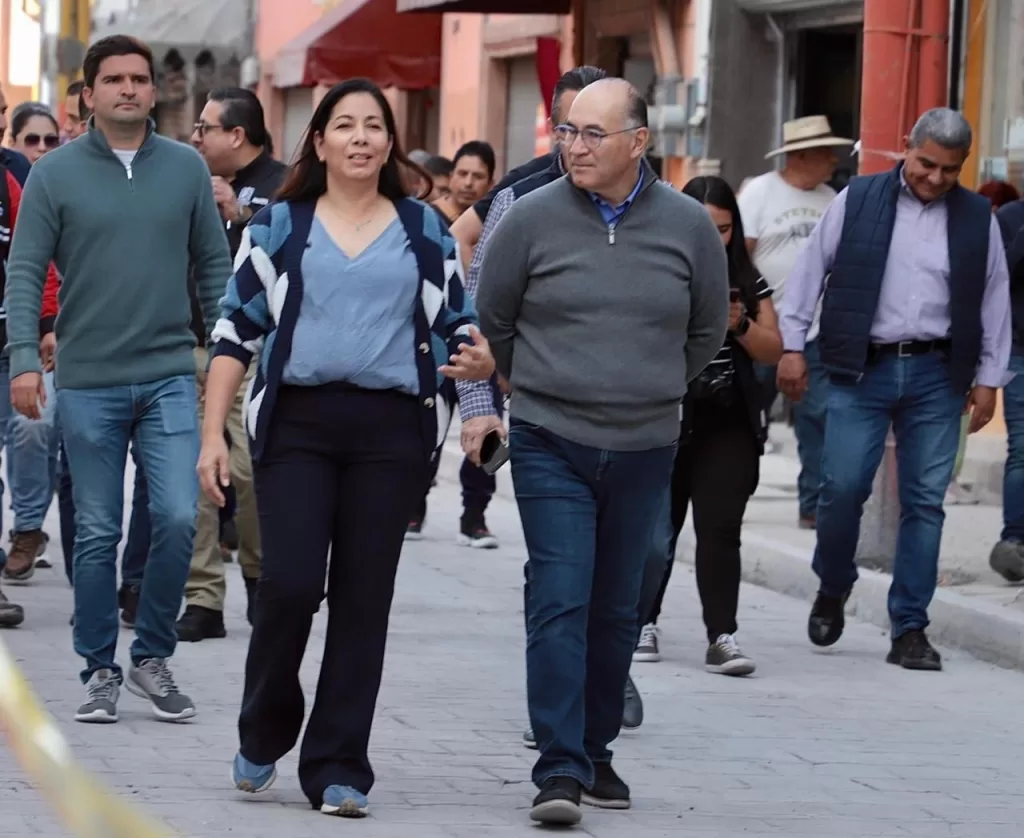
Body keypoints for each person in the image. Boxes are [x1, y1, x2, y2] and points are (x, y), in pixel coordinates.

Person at [201, 77, 500, 818]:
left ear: (390, 142)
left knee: (365, 600)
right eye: (345, 124)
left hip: (390, 431)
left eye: (374, 125)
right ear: (320, 140)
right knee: (290, 585)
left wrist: (479, 374)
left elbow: (456, 323)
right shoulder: (279, 225)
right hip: (297, 425)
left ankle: (338, 766)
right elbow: (235, 332)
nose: (360, 137)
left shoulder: (423, 229)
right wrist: (211, 436)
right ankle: (265, 728)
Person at [476, 78, 728, 825]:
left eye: (592, 134)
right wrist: (543, 384)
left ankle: (596, 748)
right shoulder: (529, 217)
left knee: (618, 605)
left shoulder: (688, 226)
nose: (574, 147)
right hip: (550, 438)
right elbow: (495, 317)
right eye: (567, 131)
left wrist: (649, 386)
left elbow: (706, 331)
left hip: (646, 444)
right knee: (560, 595)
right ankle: (559, 767)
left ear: (638, 142)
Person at [5, 35, 232, 722]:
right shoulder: (54, 174)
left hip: (169, 373)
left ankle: (151, 656)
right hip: (88, 378)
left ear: (154, 91)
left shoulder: (186, 169)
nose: (128, 89)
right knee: (98, 531)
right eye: (113, 79)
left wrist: (229, 353)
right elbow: (25, 269)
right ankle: (99, 668)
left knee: (178, 516)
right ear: (89, 94)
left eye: (139, 78)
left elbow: (214, 267)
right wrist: (24, 358)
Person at [778, 108, 1011, 672]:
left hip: (938, 374)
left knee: (925, 502)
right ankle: (834, 583)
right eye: (926, 163)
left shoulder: (977, 218)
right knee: (841, 489)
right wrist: (791, 344)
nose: (935, 178)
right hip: (862, 368)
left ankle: (910, 626)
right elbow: (810, 271)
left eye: (949, 170)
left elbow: (994, 300)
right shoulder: (857, 199)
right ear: (907, 145)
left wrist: (989, 379)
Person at [634, 176, 782, 674]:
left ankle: (722, 635)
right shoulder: (652, 267)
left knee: (720, 529)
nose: (713, 238)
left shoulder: (745, 278)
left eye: (723, 228)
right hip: (663, 416)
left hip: (728, 419)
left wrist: (738, 323)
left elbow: (773, 348)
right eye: (703, 226)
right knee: (656, 532)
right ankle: (642, 621)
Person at [177, 87, 285, 642]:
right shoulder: (189, 183)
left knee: (246, 471)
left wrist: (239, 215)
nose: (196, 138)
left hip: (255, 355)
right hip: (193, 347)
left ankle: (261, 577)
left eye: (206, 128)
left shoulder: (286, 186)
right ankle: (202, 598)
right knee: (196, 475)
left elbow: (288, 260)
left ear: (237, 135)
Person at [739, 116, 853, 528]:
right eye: (826, 153)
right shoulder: (760, 193)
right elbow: (739, 255)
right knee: (748, 418)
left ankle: (813, 506)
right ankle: (732, 496)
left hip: (816, 330)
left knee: (818, 418)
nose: (834, 160)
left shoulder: (833, 199)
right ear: (800, 156)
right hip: (763, 329)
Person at [410, 139, 501, 546]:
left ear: (490, 182)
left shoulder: (499, 220)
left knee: (488, 426)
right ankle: (413, 508)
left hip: (481, 345)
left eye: (478, 176)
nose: (468, 183)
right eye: (462, 173)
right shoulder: (427, 218)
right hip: (434, 345)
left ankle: (476, 516)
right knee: (424, 427)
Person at [0, 163, 60, 626]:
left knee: (31, 426)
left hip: (9, 343)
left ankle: (27, 528)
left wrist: (46, 325)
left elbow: (33, 261)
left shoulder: (8, 185)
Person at [990, 183, 1024, 579]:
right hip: (1020, 349)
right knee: (1022, 448)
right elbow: (997, 282)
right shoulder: (1011, 219)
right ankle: (1015, 540)